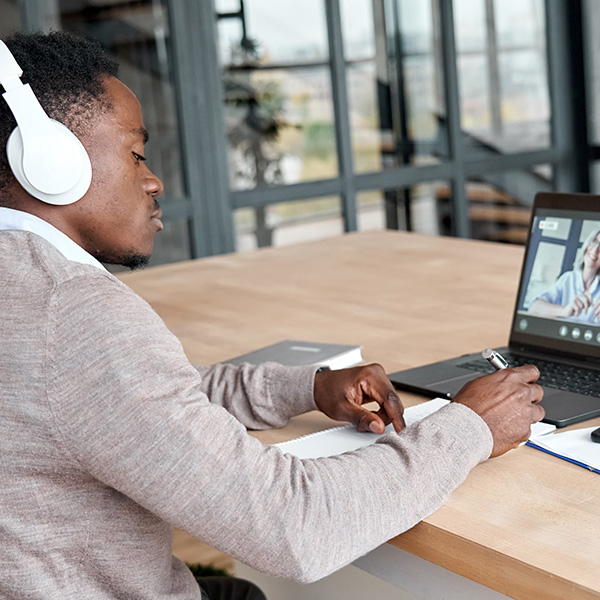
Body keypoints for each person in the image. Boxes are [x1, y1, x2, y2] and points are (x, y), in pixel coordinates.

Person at [0, 32, 544, 600]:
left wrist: (307, 387)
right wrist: (469, 427)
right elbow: (293, 527)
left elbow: (143, 398)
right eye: (136, 153)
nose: (153, 180)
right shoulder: (76, 316)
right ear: (48, 160)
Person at [529, 226, 600, 322]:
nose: (595, 250)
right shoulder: (568, 278)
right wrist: (564, 311)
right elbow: (534, 307)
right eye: (594, 241)